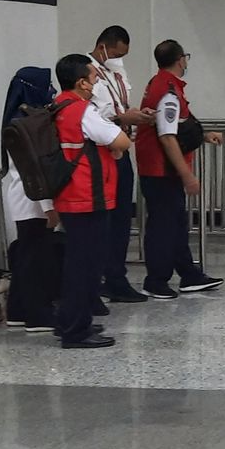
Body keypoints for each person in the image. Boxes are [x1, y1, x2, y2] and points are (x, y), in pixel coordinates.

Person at [51, 54, 131, 349]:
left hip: (71, 196)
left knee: (77, 264)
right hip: (88, 196)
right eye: (94, 79)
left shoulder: (58, 106)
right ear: (81, 82)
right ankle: (75, 331)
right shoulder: (82, 111)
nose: (96, 83)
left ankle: (73, 321)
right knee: (85, 267)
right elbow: (121, 141)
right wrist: (117, 148)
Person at [136, 40, 225, 299]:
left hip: (160, 168)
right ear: (180, 59)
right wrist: (187, 176)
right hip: (161, 170)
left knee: (175, 224)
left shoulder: (161, 84)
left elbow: (179, 126)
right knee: (163, 226)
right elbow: (166, 135)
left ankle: (189, 274)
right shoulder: (168, 91)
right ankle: (156, 280)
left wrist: (204, 135)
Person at [87, 26, 156, 304]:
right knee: (104, 220)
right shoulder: (87, 72)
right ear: (103, 45)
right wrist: (122, 118)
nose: (117, 59)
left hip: (120, 148)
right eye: (115, 53)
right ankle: (106, 278)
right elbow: (95, 114)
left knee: (120, 219)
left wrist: (136, 115)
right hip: (101, 151)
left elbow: (120, 105)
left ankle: (116, 275)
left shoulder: (116, 73)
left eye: (122, 55)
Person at [1, 67, 60, 333]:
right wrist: (49, 206)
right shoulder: (27, 124)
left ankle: (18, 310)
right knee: (35, 260)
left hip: (23, 198)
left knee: (26, 256)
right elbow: (36, 168)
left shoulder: (18, 119)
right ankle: (37, 314)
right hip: (33, 199)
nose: (52, 91)